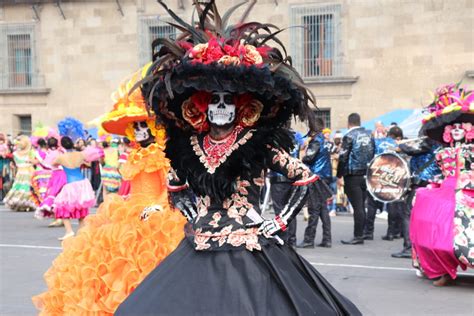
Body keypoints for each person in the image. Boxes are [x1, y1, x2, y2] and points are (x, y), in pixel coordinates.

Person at [115, 2, 361, 315]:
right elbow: (175, 185)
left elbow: (305, 180)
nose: (220, 107)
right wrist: (192, 213)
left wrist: (279, 221)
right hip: (199, 243)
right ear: (202, 106)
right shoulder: (189, 146)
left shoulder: (258, 145)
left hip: (249, 243)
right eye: (213, 100)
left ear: (241, 107)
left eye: (227, 101)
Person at [33, 66, 186, 314]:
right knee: (112, 265)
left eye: (142, 125)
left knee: (149, 264)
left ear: (153, 126)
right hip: (130, 211)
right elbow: (133, 185)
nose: (139, 130)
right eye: (135, 126)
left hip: (156, 216)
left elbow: (165, 186)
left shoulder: (160, 154)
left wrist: (157, 205)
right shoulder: (134, 155)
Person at [410, 84, 474, 285]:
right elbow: (439, 173)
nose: (456, 131)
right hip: (446, 189)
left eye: (459, 128)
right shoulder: (443, 152)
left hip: (468, 189)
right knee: (423, 201)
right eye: (452, 128)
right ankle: (439, 269)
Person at [391, 137, 441, 258]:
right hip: (434, 184)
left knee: (408, 214)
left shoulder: (429, 142)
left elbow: (413, 149)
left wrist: (401, 145)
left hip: (422, 183)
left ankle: (409, 247)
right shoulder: (440, 143)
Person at [337, 113, 375, 245]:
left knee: (357, 206)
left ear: (349, 123)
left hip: (352, 174)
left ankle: (358, 235)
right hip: (366, 173)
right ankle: (363, 232)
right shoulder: (369, 134)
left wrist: (339, 174)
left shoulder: (349, 136)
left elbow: (343, 157)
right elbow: (373, 152)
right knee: (362, 205)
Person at [52, 136, 97, 240]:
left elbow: (53, 164)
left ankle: (69, 231)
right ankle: (81, 231)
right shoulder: (80, 154)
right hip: (82, 183)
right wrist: (81, 162)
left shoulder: (61, 157)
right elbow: (89, 163)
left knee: (62, 207)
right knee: (81, 206)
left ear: (62, 145)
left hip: (71, 184)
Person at [298, 118, 333, 248]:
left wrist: (302, 158)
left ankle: (309, 239)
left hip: (316, 177)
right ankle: (327, 238)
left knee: (314, 208)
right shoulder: (324, 140)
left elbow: (309, 157)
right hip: (325, 175)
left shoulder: (316, 141)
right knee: (323, 208)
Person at [269, 126, 305, 247]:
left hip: (279, 175)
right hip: (293, 176)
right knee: (290, 210)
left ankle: (284, 238)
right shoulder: (297, 135)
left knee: (280, 210)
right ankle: (292, 240)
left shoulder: (274, 133)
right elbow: (303, 149)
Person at [2, 135, 37, 211]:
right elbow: (35, 162)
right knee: (28, 188)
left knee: (19, 187)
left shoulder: (15, 154)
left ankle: (19, 203)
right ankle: (29, 203)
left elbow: (14, 164)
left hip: (20, 172)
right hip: (29, 172)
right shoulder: (31, 153)